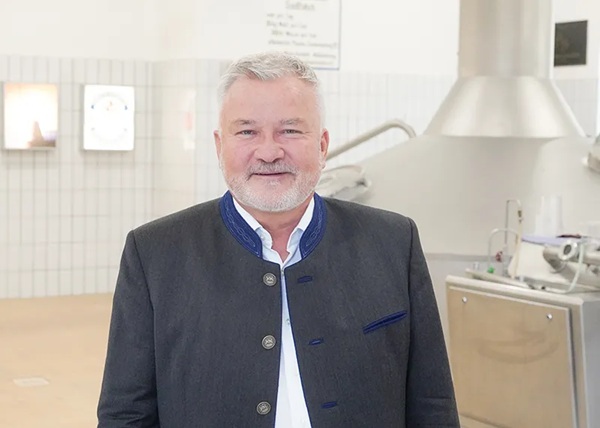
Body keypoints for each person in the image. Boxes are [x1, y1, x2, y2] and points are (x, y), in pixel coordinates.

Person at [97, 51, 459, 427]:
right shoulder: (156, 255)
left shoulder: (393, 244)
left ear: (322, 145)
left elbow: (432, 403)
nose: (269, 152)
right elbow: (126, 414)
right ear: (219, 146)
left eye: (290, 130)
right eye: (247, 132)